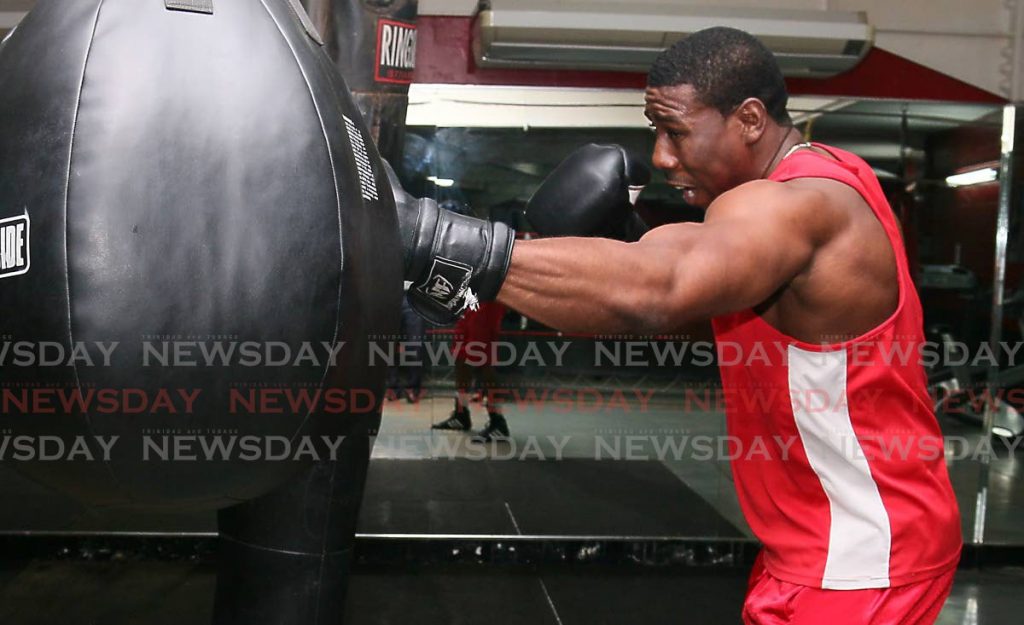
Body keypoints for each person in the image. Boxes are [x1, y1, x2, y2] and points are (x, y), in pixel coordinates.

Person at [390, 27, 962, 624]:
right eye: (656, 131)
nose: (661, 156)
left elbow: (660, 288)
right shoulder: (812, 187)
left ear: (747, 119)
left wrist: (434, 242)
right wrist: (619, 251)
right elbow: (677, 299)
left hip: (861, 555)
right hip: (825, 542)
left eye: (677, 132)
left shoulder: (798, 203)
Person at [432, 300, 510, 442]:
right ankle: (461, 415)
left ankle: (498, 422)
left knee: (482, 359)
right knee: (460, 355)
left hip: (489, 298)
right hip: (470, 296)